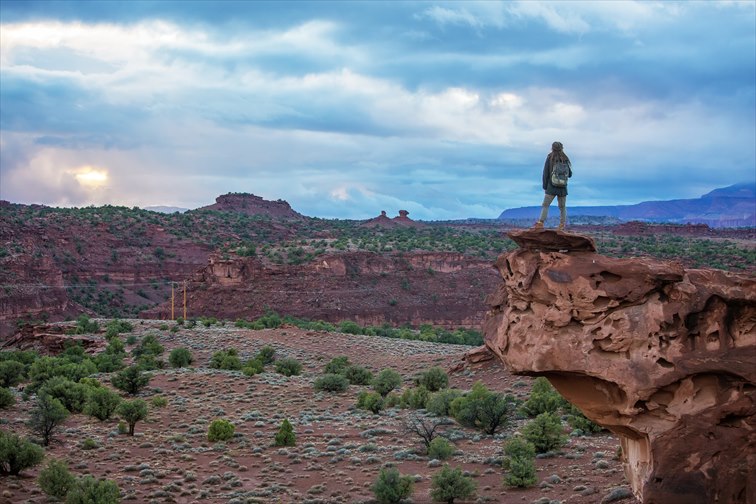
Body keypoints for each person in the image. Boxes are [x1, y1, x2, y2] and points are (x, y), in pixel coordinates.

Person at [533, 141, 572, 230]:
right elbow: (570, 174)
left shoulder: (550, 157)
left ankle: (540, 223)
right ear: (562, 148)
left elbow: (545, 173)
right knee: (562, 207)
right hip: (562, 188)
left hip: (551, 187)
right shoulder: (565, 158)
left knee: (545, 205)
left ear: (552, 148)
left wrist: (545, 186)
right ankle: (562, 225)